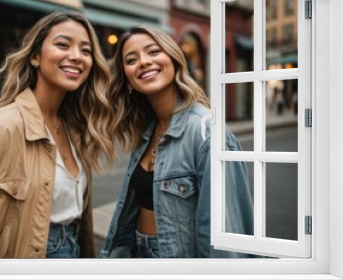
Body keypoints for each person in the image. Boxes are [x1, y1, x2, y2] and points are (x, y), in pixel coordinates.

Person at [0, 10, 115, 258]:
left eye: (85, 51)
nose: (76, 56)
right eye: (63, 44)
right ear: (34, 56)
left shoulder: (76, 128)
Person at [100, 25, 257, 258]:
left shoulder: (207, 132)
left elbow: (223, 238)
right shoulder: (147, 131)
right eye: (131, 59)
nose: (143, 61)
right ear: (128, 81)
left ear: (174, 60)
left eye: (153, 52)